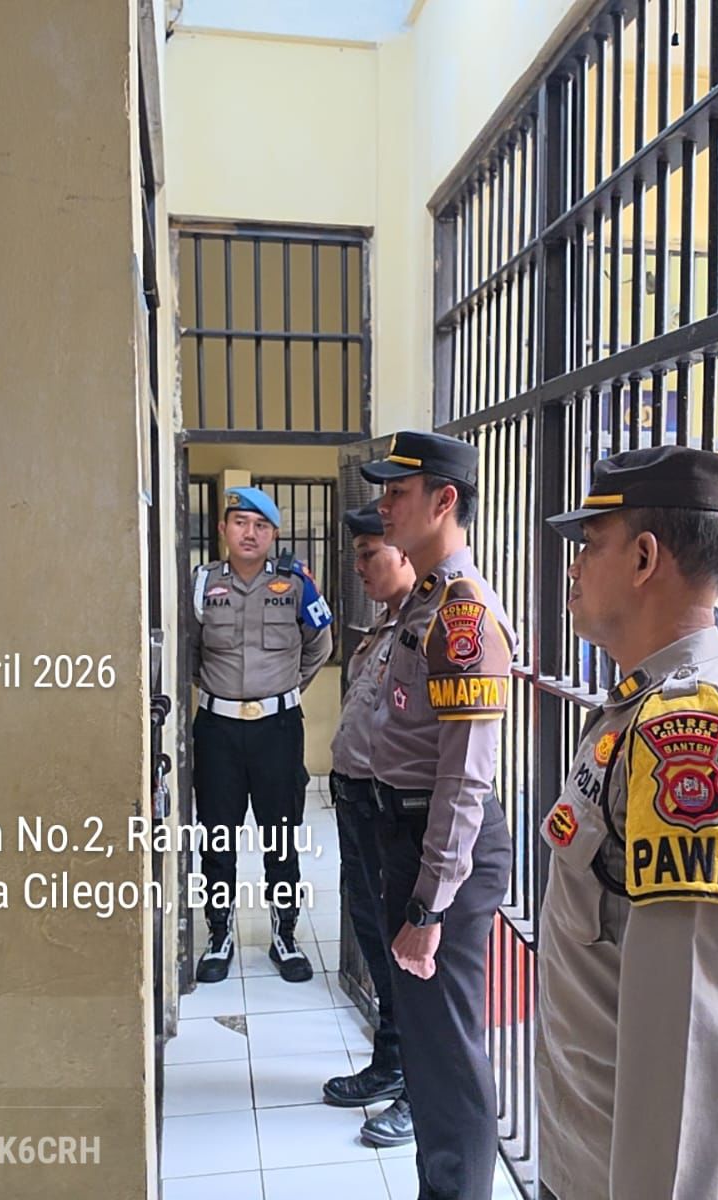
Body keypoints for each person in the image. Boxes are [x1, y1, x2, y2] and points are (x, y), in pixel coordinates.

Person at [533, 445, 718, 1200]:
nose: (575, 567)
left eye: (591, 545)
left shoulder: (688, 732)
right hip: (598, 1157)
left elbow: (687, 1038)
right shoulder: (645, 705)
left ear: (645, 557)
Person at [363, 431, 515, 1200]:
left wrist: (429, 903)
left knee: (447, 1053)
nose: (383, 506)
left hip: (442, 850)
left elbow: (463, 776)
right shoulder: (423, 598)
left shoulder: (461, 613)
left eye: (397, 492)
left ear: (443, 500)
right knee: (427, 1050)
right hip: (413, 837)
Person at [188, 485, 334, 984]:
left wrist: (283, 691)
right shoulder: (201, 584)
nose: (250, 533)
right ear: (223, 529)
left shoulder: (296, 584)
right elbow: (190, 650)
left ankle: (284, 935)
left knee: (281, 837)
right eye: (240, 523)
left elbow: (320, 644)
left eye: (261, 526)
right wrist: (221, 692)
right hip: (218, 731)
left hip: (277, 729)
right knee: (217, 837)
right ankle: (219, 935)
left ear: (273, 534)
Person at [322, 499, 417, 1148]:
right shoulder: (387, 624)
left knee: (406, 957)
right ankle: (390, 1061)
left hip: (390, 811)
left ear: (403, 553)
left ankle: (418, 1088)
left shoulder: (431, 625)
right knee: (374, 941)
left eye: (367, 554)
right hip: (356, 801)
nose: (357, 567)